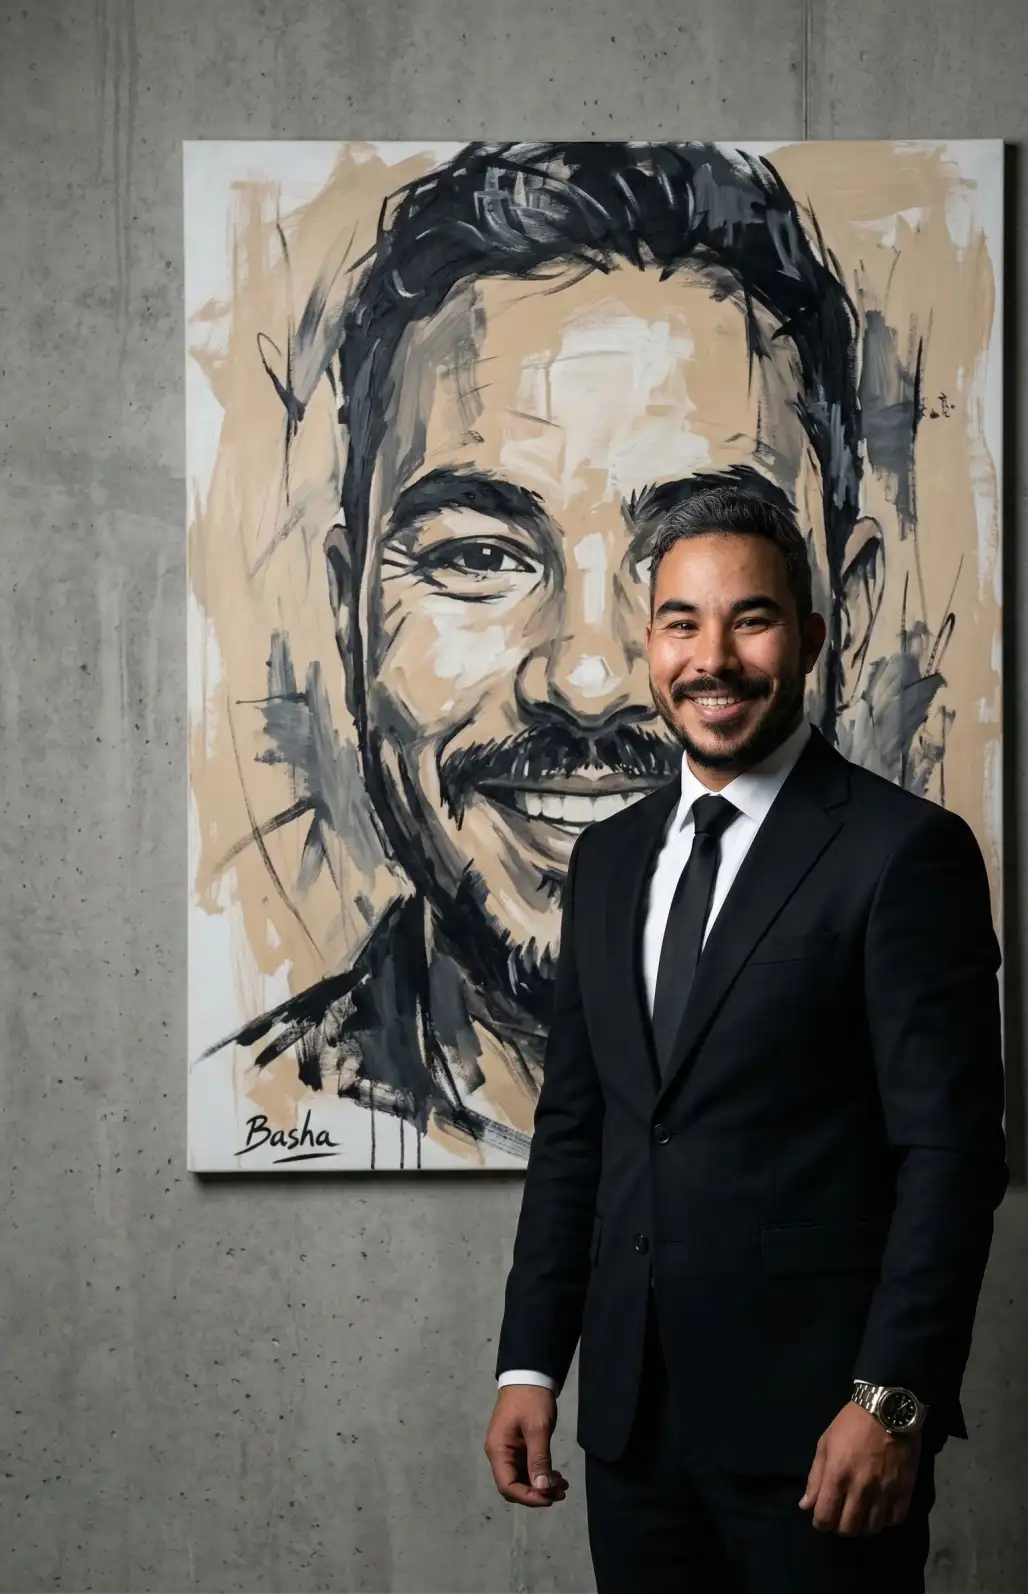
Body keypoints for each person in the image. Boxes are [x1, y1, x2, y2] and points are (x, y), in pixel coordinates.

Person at [222, 142, 909, 1165]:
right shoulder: (260, 1105)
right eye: (479, 555)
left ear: (836, 618)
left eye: (699, 561)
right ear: (348, 613)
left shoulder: (913, 1094)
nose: (589, 679)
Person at [485, 486, 1008, 1589]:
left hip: (824, 1434)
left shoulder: (902, 853)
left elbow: (950, 1160)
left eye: (751, 619)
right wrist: (532, 1361)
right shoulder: (610, 861)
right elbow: (580, 1129)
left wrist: (891, 1401)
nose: (711, 657)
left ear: (813, 637)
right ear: (650, 643)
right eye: (682, 622)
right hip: (631, 1430)